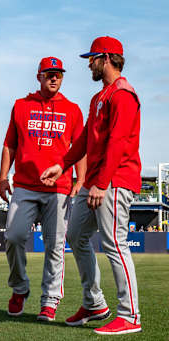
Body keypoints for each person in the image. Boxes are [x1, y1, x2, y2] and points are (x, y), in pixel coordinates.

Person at [41, 36, 142, 335]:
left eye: (93, 58)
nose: (89, 63)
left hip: (115, 179)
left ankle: (130, 314)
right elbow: (85, 138)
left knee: (115, 243)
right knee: (76, 236)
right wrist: (63, 164)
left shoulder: (122, 94)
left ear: (107, 58)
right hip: (97, 180)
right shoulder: (100, 96)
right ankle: (95, 302)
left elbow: (119, 142)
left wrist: (102, 182)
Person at [0, 57, 86, 322]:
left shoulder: (72, 109)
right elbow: (9, 145)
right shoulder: (21, 105)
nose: (54, 77)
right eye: (49, 73)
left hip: (58, 187)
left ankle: (49, 300)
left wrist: (80, 179)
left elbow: (79, 148)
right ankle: (20, 288)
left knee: (55, 246)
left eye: (58, 73)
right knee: (13, 236)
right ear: (38, 76)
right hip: (25, 185)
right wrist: (3, 177)